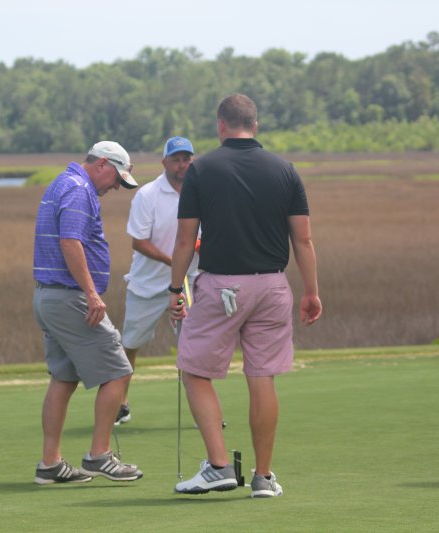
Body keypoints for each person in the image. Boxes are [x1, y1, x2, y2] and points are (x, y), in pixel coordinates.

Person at [168, 93, 322, 498]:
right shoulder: (285, 170)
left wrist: (175, 288)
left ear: (221, 125)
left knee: (195, 369)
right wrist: (311, 292)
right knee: (261, 376)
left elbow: (185, 239)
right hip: (272, 285)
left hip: (220, 285)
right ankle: (263, 478)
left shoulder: (201, 169)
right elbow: (303, 240)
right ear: (255, 125)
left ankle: (219, 466)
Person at [32, 141, 144, 485]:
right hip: (71, 299)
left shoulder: (62, 182)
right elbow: (70, 241)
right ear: (102, 164)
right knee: (119, 371)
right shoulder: (80, 189)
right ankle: (99, 455)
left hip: (50, 297)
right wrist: (92, 294)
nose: (116, 187)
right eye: (117, 179)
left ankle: (50, 464)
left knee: (64, 378)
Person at [116, 136, 200, 425]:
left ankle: (202, 412)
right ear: (164, 162)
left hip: (188, 283)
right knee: (130, 344)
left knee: (192, 347)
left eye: (187, 159)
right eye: (176, 159)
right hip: (147, 284)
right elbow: (139, 242)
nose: (182, 164)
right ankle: (121, 403)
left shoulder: (202, 192)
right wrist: (174, 261)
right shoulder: (147, 194)